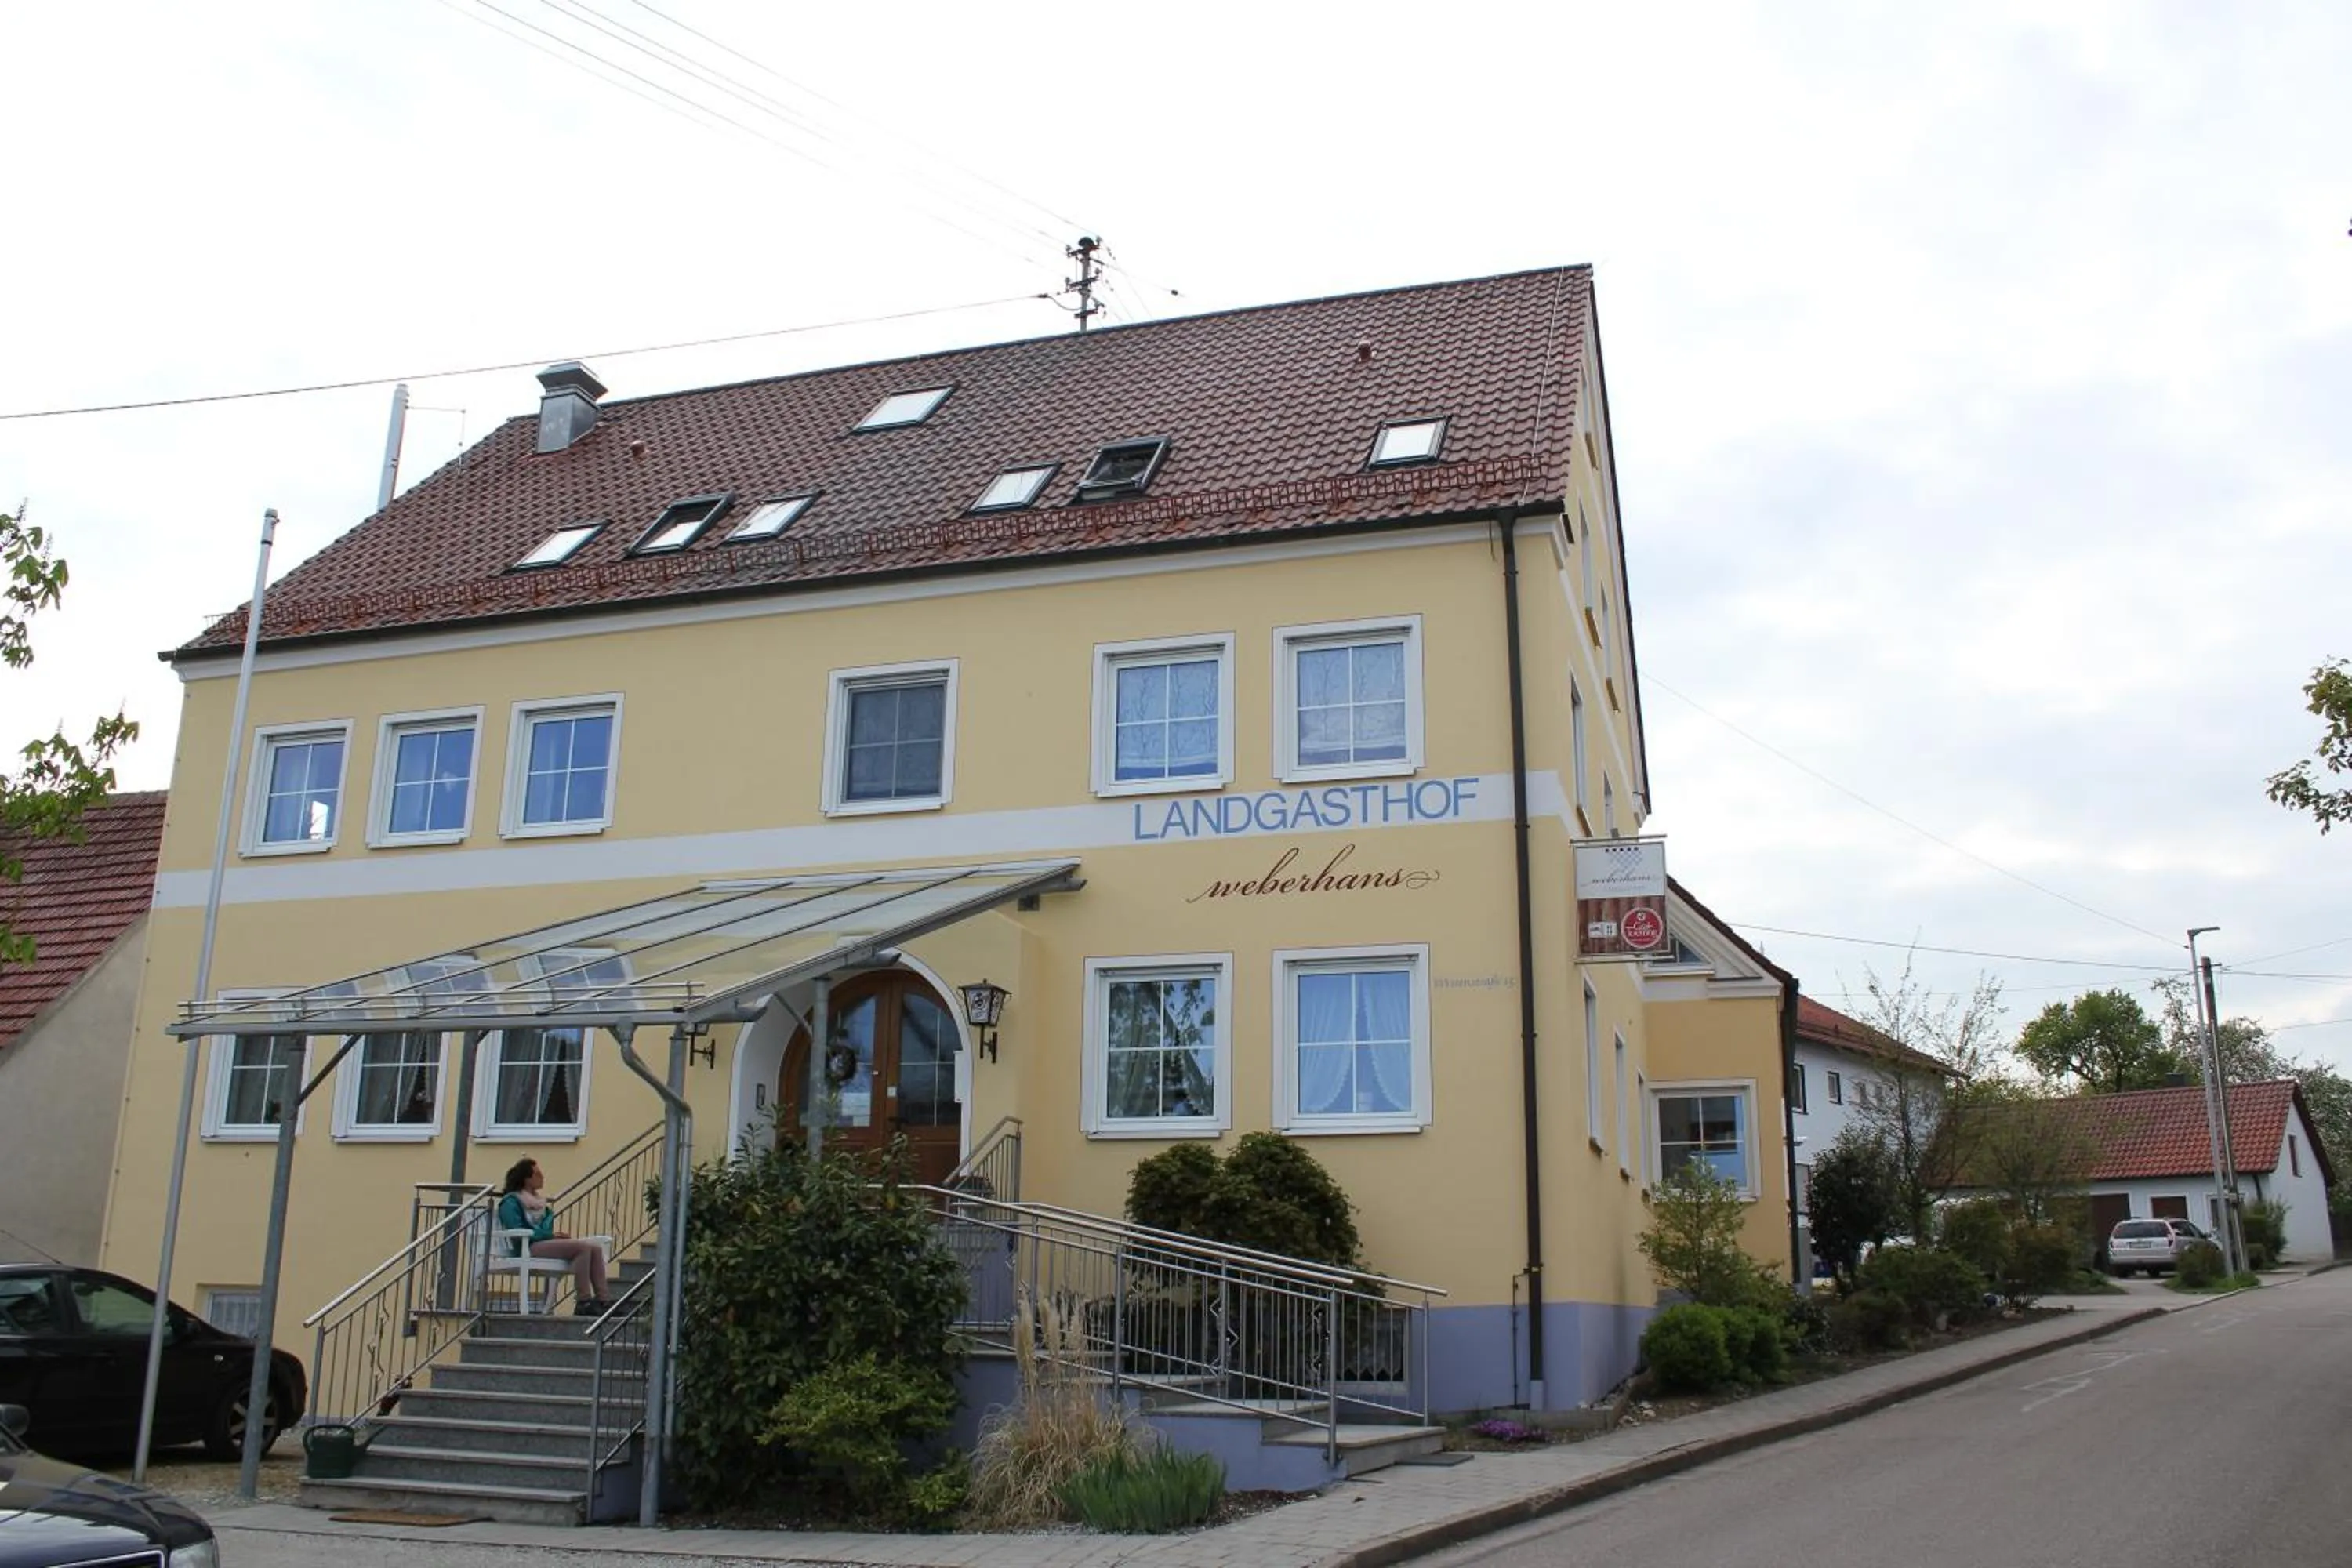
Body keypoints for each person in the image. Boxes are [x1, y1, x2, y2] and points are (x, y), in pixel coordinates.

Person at [497, 1156, 610, 1314]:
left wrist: (552, 1235)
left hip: (541, 1244)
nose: (542, 1177)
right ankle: (583, 1301)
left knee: (595, 1249)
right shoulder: (511, 1201)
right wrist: (549, 1236)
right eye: (538, 1174)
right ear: (527, 1179)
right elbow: (516, 1228)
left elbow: (545, 1230)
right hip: (526, 1247)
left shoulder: (541, 1205)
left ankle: (603, 1301)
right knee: (583, 1248)